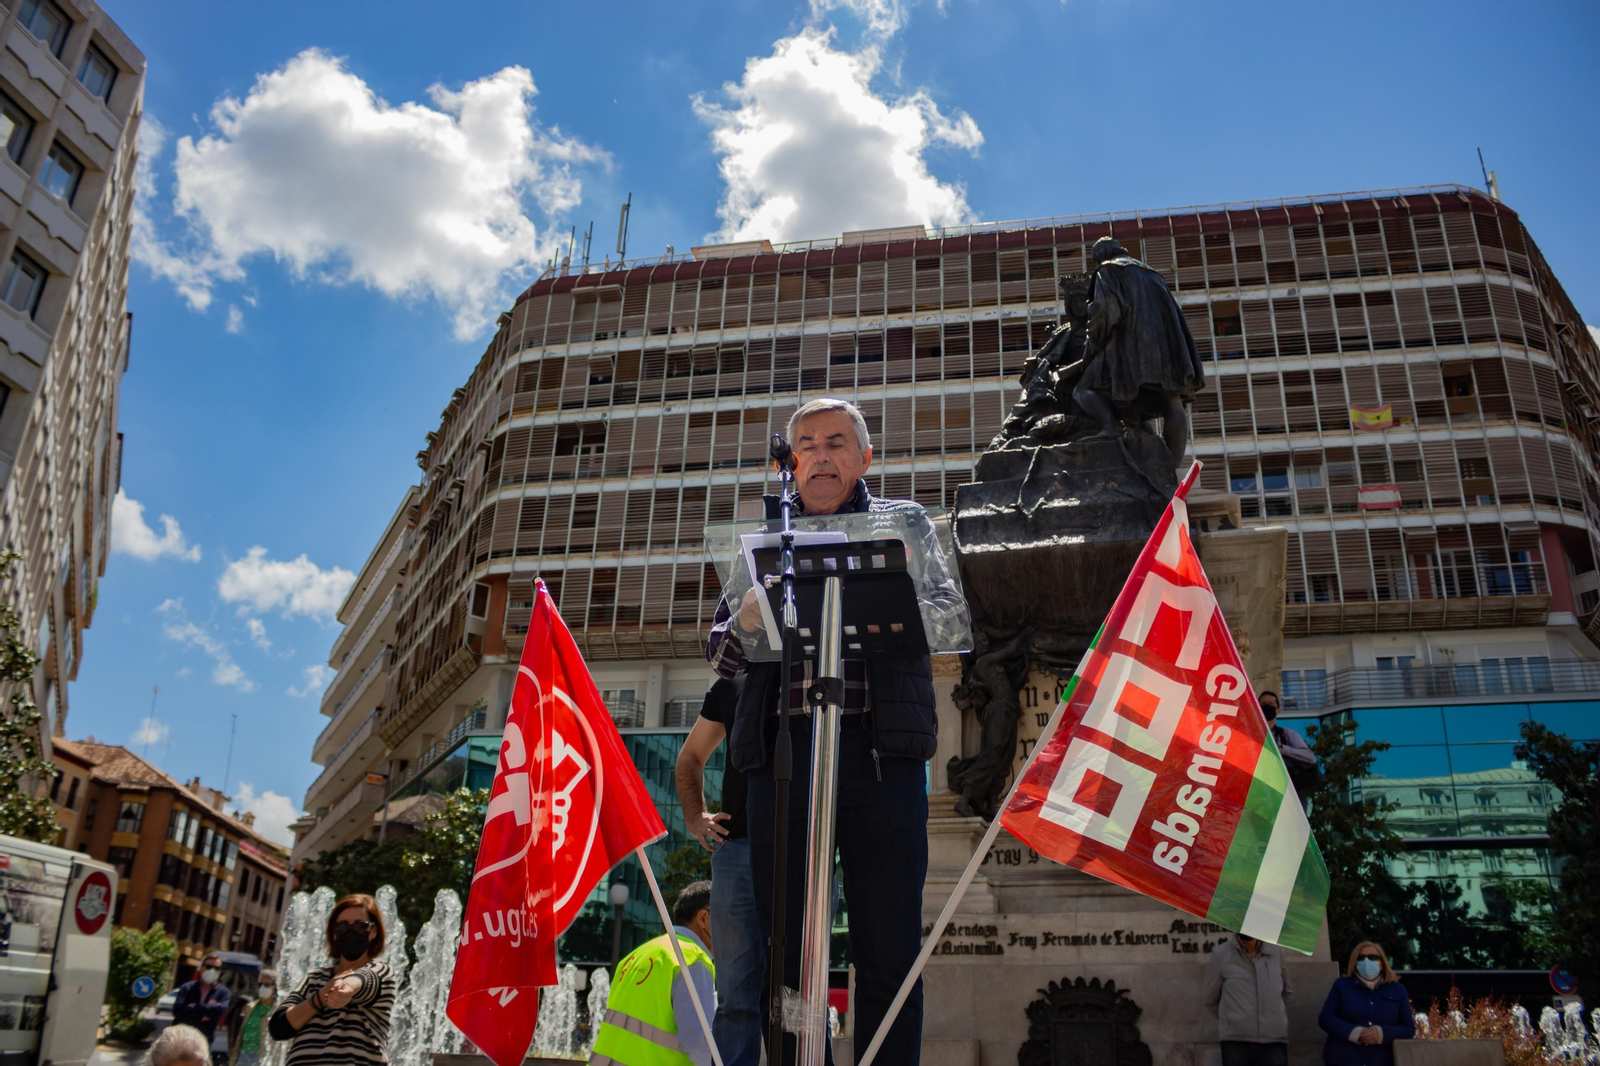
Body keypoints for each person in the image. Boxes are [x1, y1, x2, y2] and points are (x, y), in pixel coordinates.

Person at [707, 397, 965, 1066]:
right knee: (789, 952)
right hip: (784, 764)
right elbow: (721, 654)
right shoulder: (764, 537)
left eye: (837, 442)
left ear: (865, 456)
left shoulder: (901, 523)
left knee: (888, 947)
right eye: (808, 444)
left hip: (881, 760)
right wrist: (750, 623)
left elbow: (952, 619)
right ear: (790, 460)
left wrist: (892, 587)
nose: (821, 454)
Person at [676, 678, 764, 1066]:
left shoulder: (821, 667)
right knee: (735, 998)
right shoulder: (733, 683)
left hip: (804, 850)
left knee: (800, 997)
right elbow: (690, 756)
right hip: (738, 851)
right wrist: (695, 817)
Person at [590, 880, 717, 1066]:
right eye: (729, 917)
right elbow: (699, 1043)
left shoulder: (636, 955)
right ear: (703, 919)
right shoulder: (692, 959)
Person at [269, 893, 396, 1065]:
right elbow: (279, 1027)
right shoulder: (314, 977)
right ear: (334, 933)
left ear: (373, 931)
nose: (350, 932)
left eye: (360, 926)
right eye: (342, 926)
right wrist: (320, 999)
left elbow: (363, 979)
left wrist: (345, 988)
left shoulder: (382, 972)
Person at [1202, 931, 1294, 1066]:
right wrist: (1232, 1019)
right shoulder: (1221, 954)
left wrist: (1273, 1015)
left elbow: (1287, 993)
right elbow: (1210, 999)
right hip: (1236, 1043)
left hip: (1273, 1041)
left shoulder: (1276, 952)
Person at [1318, 941, 1414, 1066]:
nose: (1366, 961)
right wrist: (1356, 1033)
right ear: (1355, 962)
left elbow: (1408, 1029)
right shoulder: (1342, 986)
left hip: (1381, 1060)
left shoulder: (1397, 990)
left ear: (1381, 963)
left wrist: (1380, 1034)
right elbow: (1326, 1018)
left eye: (1372, 957)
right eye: (1361, 958)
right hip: (1342, 1060)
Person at [1260, 690, 1323, 803]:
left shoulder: (1287, 734)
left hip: (1291, 794)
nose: (1266, 707)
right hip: (1261, 792)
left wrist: (1283, 750)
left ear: (1278, 710)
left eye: (1270, 704)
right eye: (1263, 704)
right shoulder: (1251, 735)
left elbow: (1310, 757)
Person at [172, 953, 232, 1047]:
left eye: (216, 968)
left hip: (205, 1039)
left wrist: (194, 1007)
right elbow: (177, 1010)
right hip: (182, 1037)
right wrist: (207, 1013)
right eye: (208, 966)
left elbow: (221, 1010)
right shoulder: (187, 988)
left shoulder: (223, 992)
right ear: (202, 968)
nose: (212, 970)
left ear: (220, 971)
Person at [229, 969, 276, 1066]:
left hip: (262, 1056)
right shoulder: (251, 1007)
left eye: (267, 985)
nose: (263, 988)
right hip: (243, 1054)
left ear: (274, 988)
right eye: (261, 985)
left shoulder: (277, 1010)